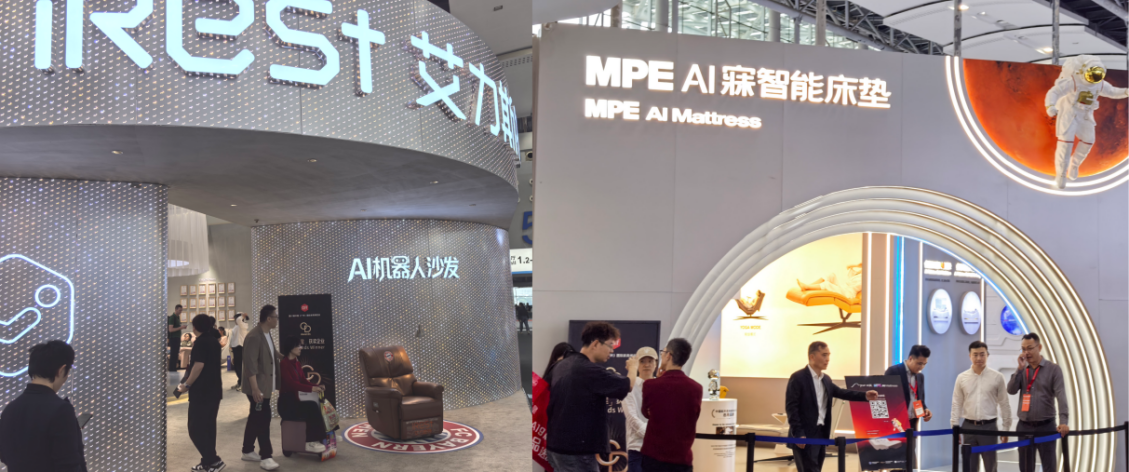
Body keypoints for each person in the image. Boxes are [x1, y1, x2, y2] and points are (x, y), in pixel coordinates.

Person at [545, 321, 633, 472]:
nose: (612, 350)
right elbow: (627, 385)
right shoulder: (588, 370)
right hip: (576, 452)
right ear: (596, 344)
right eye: (610, 345)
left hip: (556, 447)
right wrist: (633, 367)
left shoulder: (562, 365)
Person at [786, 341, 879, 472]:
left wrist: (865, 396)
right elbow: (792, 408)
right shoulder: (798, 378)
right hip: (805, 435)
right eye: (824, 355)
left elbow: (841, 392)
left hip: (821, 433)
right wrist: (799, 434)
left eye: (828, 355)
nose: (828, 359)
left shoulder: (826, 379)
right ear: (812, 357)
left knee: (816, 468)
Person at [0, 340, 86, 472]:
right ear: (61, 370)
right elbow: (68, 465)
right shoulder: (61, 409)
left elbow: (5, 455)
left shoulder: (10, 409)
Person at [1045, 55, 1129, 189]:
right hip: (1069, 114)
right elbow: (1054, 92)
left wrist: (1126, 91)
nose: (1093, 78)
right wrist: (1050, 106)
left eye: (1097, 75)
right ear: (1084, 71)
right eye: (1092, 75)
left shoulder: (1099, 84)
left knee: (1088, 141)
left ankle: (1074, 164)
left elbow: (1112, 92)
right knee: (1065, 145)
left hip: (1085, 116)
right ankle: (1061, 174)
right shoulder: (1074, 81)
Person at [1007, 333, 1068, 472]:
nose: (1026, 352)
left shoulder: (1053, 369)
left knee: (1049, 467)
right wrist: (1019, 369)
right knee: (1026, 468)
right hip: (1024, 426)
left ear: (1039, 347)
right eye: (1023, 349)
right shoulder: (1022, 369)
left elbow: (1061, 396)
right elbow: (1011, 390)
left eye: (1030, 348)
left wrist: (1063, 422)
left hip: (1046, 426)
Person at [640, 339, 702, 472]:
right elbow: (694, 416)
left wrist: (659, 379)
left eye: (663, 352)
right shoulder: (696, 388)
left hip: (654, 457)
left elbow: (646, 413)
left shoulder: (650, 385)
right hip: (682, 458)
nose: (662, 355)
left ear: (668, 355)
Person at [952, 341, 1012, 472]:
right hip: (968, 426)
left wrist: (1006, 428)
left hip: (989, 427)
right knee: (969, 467)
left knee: (991, 466)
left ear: (987, 355)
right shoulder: (962, 378)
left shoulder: (997, 377)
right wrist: (954, 427)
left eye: (982, 354)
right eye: (975, 355)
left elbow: (1004, 403)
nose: (979, 358)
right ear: (970, 356)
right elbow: (956, 403)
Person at [176, 315, 225, 472]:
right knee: (209, 428)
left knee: (195, 428)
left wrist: (187, 385)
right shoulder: (214, 341)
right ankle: (208, 462)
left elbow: (198, 366)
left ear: (195, 327)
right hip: (214, 390)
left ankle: (213, 460)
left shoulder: (200, 342)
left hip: (202, 392)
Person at [242, 305, 283, 471]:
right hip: (257, 388)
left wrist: (286, 357)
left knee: (255, 418)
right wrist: (255, 389)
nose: (277, 320)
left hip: (264, 386)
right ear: (269, 318)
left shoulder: (266, 333)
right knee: (263, 419)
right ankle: (266, 456)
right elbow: (250, 365)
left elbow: (272, 353)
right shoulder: (254, 336)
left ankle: (247, 450)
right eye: (276, 317)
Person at [279, 336, 328, 453]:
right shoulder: (284, 364)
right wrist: (311, 388)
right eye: (298, 346)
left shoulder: (296, 363)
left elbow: (303, 381)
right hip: (286, 404)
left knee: (318, 405)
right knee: (311, 407)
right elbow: (292, 384)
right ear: (291, 347)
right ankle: (310, 442)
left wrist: (316, 386)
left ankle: (323, 436)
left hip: (294, 401)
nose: (301, 348)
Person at [622, 346, 658, 472]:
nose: (646, 365)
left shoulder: (662, 387)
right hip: (637, 448)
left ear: (656, 364)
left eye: (650, 361)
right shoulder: (629, 386)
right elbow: (632, 417)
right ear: (637, 364)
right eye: (642, 361)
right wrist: (652, 435)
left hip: (658, 449)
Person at [796, 263, 863, 299]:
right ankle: (808, 286)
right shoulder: (858, 274)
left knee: (827, 284)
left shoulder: (866, 279)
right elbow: (848, 267)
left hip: (847, 293)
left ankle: (806, 287)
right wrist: (857, 265)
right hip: (843, 288)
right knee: (831, 275)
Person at [230, 312, 249, 390]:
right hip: (236, 347)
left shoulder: (242, 325)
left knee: (239, 366)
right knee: (237, 366)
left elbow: (239, 320)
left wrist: (242, 316)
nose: (235, 320)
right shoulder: (238, 326)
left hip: (239, 347)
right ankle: (240, 382)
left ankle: (242, 383)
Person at [169, 304, 188, 371]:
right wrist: (181, 327)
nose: (180, 312)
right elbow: (171, 329)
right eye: (179, 310)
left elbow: (176, 327)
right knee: (173, 354)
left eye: (181, 310)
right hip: (173, 338)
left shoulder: (177, 317)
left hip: (177, 338)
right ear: (176, 309)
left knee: (176, 354)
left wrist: (181, 327)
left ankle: (174, 368)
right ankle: (172, 369)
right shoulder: (172, 318)